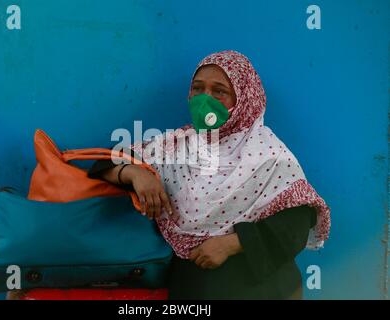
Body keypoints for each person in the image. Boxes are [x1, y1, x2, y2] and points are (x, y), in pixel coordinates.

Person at [88, 50, 331, 299]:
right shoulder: (176, 145)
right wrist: (136, 174)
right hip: (193, 286)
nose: (205, 99)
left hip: (260, 287)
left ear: (244, 98)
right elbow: (104, 162)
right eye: (198, 89)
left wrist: (232, 244)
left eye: (219, 91)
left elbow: (298, 224)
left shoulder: (269, 154)